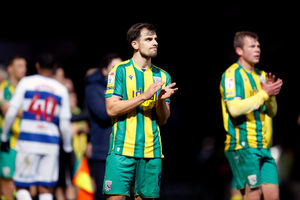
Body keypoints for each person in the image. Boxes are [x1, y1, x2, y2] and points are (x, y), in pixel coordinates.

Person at [103, 23, 178, 200]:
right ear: (135, 44)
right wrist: (144, 96)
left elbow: (164, 119)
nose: (155, 43)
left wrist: (160, 101)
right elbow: (111, 108)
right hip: (122, 149)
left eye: (156, 39)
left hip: (152, 151)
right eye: (149, 39)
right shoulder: (120, 71)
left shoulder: (163, 76)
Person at [0, 52, 73, 200]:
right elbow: (65, 124)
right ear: (54, 67)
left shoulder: (27, 83)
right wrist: (67, 147)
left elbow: (11, 112)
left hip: (28, 142)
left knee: (22, 186)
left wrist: (4, 135)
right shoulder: (61, 89)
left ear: (37, 65)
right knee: (46, 188)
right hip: (51, 144)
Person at [220, 31, 283, 200]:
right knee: (252, 194)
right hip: (243, 145)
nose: (257, 50)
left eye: (259, 46)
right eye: (252, 46)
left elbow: (272, 111)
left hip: (263, 145)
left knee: (273, 196)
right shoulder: (231, 75)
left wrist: (270, 97)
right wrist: (264, 94)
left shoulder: (262, 76)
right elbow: (234, 109)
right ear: (239, 50)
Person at [85, 53, 122, 200]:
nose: (118, 71)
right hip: (102, 152)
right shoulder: (93, 89)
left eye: (121, 67)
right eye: (114, 67)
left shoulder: (126, 90)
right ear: (104, 71)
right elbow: (104, 113)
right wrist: (128, 105)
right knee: (103, 195)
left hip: (122, 151)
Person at [0, 55, 27, 200]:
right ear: (10, 68)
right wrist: (28, 112)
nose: (23, 69)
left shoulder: (27, 88)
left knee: (28, 184)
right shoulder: (2, 87)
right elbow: (6, 110)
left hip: (27, 141)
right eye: (19, 66)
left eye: (25, 66)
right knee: (8, 182)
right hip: (9, 143)